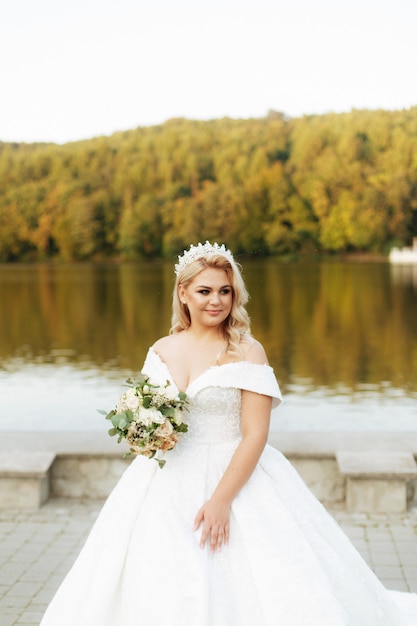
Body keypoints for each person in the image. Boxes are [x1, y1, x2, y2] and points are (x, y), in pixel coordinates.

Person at [40, 241, 417, 626]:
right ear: (183, 293)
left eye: (225, 291)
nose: (216, 301)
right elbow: (151, 413)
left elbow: (256, 434)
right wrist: (144, 433)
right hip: (164, 480)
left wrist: (221, 501)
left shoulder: (247, 352)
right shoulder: (162, 350)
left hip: (234, 473)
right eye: (204, 291)